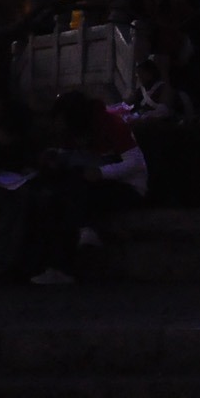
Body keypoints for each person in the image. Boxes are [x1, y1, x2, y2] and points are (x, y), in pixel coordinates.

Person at [22, 92, 148, 285]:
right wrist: (56, 156)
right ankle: (65, 253)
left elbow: (136, 163)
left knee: (70, 194)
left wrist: (102, 173)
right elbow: (76, 155)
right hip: (89, 184)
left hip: (126, 186)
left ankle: (67, 259)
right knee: (58, 196)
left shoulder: (111, 125)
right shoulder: (75, 132)